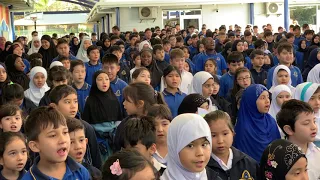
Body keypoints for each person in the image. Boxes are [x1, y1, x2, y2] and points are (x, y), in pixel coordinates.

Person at [22, 107, 90, 179]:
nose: (63, 140)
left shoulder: (81, 171)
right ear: (35, 146)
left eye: (65, 132)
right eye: (53, 135)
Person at [48, 84, 102, 169]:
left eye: (75, 101)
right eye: (67, 102)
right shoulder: (49, 130)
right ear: (54, 106)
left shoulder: (86, 127)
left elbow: (95, 159)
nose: (73, 106)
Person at [161, 113, 221, 180]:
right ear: (174, 147)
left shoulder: (214, 177)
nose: (200, 153)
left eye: (204, 144)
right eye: (190, 146)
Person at [204, 110, 258, 180]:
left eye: (225, 134)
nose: (220, 141)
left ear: (233, 133)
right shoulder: (202, 167)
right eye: (213, 135)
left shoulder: (248, 163)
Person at [234, 84, 280, 162]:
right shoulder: (243, 127)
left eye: (268, 97)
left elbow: (278, 146)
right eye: (262, 98)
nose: (267, 101)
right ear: (251, 101)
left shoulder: (270, 121)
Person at [114, 82, 166, 151]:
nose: (124, 103)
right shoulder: (125, 124)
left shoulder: (158, 124)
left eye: (127, 100)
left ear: (140, 103)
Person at [277, 99, 320, 180]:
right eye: (306, 123)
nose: (314, 127)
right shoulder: (278, 158)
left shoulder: (318, 153)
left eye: (314, 121)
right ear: (289, 129)